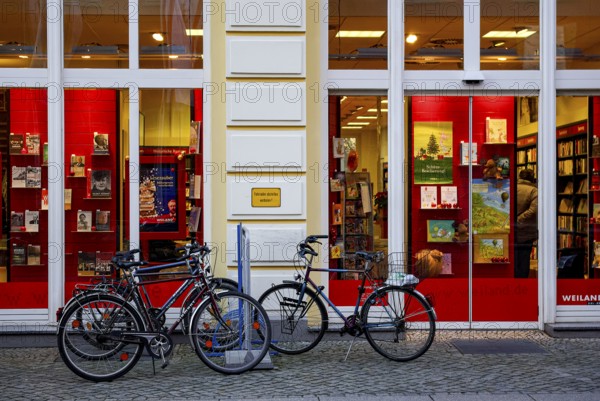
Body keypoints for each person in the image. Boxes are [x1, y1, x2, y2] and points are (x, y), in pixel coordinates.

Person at [515, 169, 538, 278]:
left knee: (513, 258)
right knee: (524, 260)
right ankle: (523, 286)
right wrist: (519, 219)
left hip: (510, 230)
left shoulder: (511, 187)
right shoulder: (533, 191)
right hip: (526, 231)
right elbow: (534, 210)